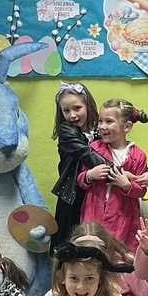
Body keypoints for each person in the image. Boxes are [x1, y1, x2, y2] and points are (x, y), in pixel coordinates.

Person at [77, 98, 148, 250]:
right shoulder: (93, 149)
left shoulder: (138, 156)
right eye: (100, 121)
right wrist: (90, 175)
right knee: (92, 253)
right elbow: (80, 179)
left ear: (127, 127)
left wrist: (127, 186)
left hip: (123, 217)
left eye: (109, 121)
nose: (102, 126)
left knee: (120, 255)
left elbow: (142, 190)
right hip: (94, 213)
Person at [50, 82, 109, 249]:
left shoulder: (99, 129)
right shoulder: (67, 132)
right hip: (74, 195)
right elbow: (87, 154)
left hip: (96, 195)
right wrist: (119, 172)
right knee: (71, 241)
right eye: (66, 111)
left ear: (88, 105)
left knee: (96, 240)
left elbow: (119, 147)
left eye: (77, 108)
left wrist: (145, 172)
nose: (72, 115)